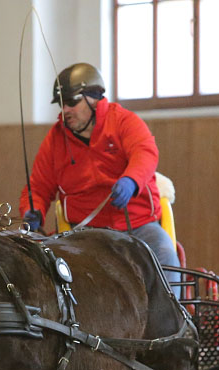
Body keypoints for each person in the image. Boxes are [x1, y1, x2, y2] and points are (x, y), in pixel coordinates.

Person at [19, 62, 181, 293]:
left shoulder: (125, 122)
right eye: (62, 104)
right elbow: (38, 186)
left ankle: (176, 325)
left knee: (164, 252)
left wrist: (131, 181)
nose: (65, 110)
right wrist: (31, 210)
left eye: (72, 102)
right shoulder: (54, 140)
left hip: (139, 227)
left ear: (93, 98)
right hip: (85, 235)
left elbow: (145, 153)